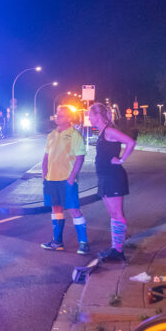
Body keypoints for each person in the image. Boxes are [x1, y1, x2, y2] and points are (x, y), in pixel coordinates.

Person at [87, 102, 135, 262]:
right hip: (105, 178)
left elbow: (130, 142)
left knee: (117, 214)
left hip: (114, 177)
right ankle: (115, 247)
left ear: (98, 116)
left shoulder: (110, 131)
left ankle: (118, 251)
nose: (89, 117)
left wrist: (121, 160)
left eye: (90, 115)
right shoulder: (102, 133)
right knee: (113, 215)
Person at [41, 105, 89, 254]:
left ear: (69, 118)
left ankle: (83, 243)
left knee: (74, 210)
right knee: (56, 210)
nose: (57, 117)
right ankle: (57, 242)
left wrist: (71, 178)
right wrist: (44, 175)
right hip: (51, 180)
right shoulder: (51, 135)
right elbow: (46, 157)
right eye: (57, 115)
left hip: (66, 180)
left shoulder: (75, 135)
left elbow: (80, 158)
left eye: (60, 115)